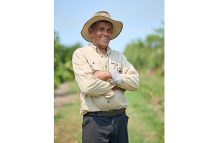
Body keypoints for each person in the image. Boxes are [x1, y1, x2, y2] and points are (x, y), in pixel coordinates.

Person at [72, 11, 139, 143]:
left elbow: (135, 82)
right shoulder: (81, 54)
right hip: (95, 121)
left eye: (109, 30)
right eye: (101, 29)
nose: (106, 33)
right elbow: (88, 86)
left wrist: (109, 75)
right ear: (91, 32)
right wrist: (117, 85)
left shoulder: (119, 56)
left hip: (120, 119)